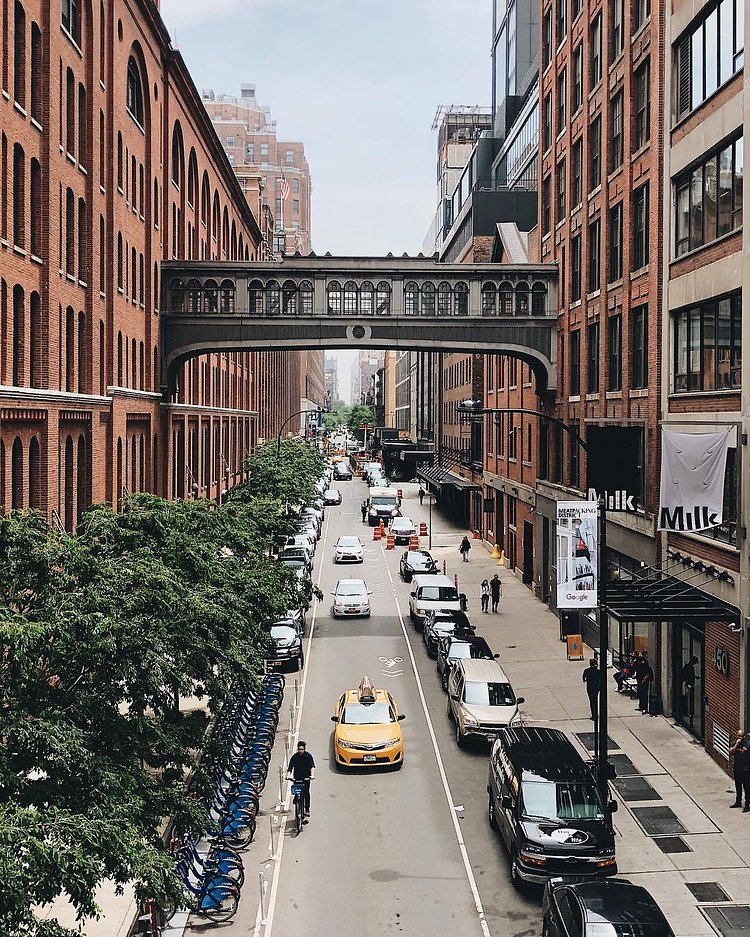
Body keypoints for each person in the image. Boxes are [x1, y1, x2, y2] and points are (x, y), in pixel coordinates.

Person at [286, 740, 315, 818]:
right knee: (296, 791)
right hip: (297, 778)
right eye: (299, 749)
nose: (301, 751)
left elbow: (312, 766)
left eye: (302, 749)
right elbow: (290, 767)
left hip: (306, 778)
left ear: (304, 749)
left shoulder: (308, 756)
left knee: (306, 793)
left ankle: (307, 810)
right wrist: (288, 775)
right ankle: (297, 800)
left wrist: (312, 775)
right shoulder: (295, 757)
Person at [729, 729, 750, 811]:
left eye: (741, 736)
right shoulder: (735, 743)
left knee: (747, 787)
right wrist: (736, 744)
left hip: (746, 769)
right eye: (738, 735)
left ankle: (747, 804)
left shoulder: (747, 743)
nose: (739, 737)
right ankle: (738, 801)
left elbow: (746, 749)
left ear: (744, 736)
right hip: (737, 768)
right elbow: (731, 751)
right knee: (738, 786)